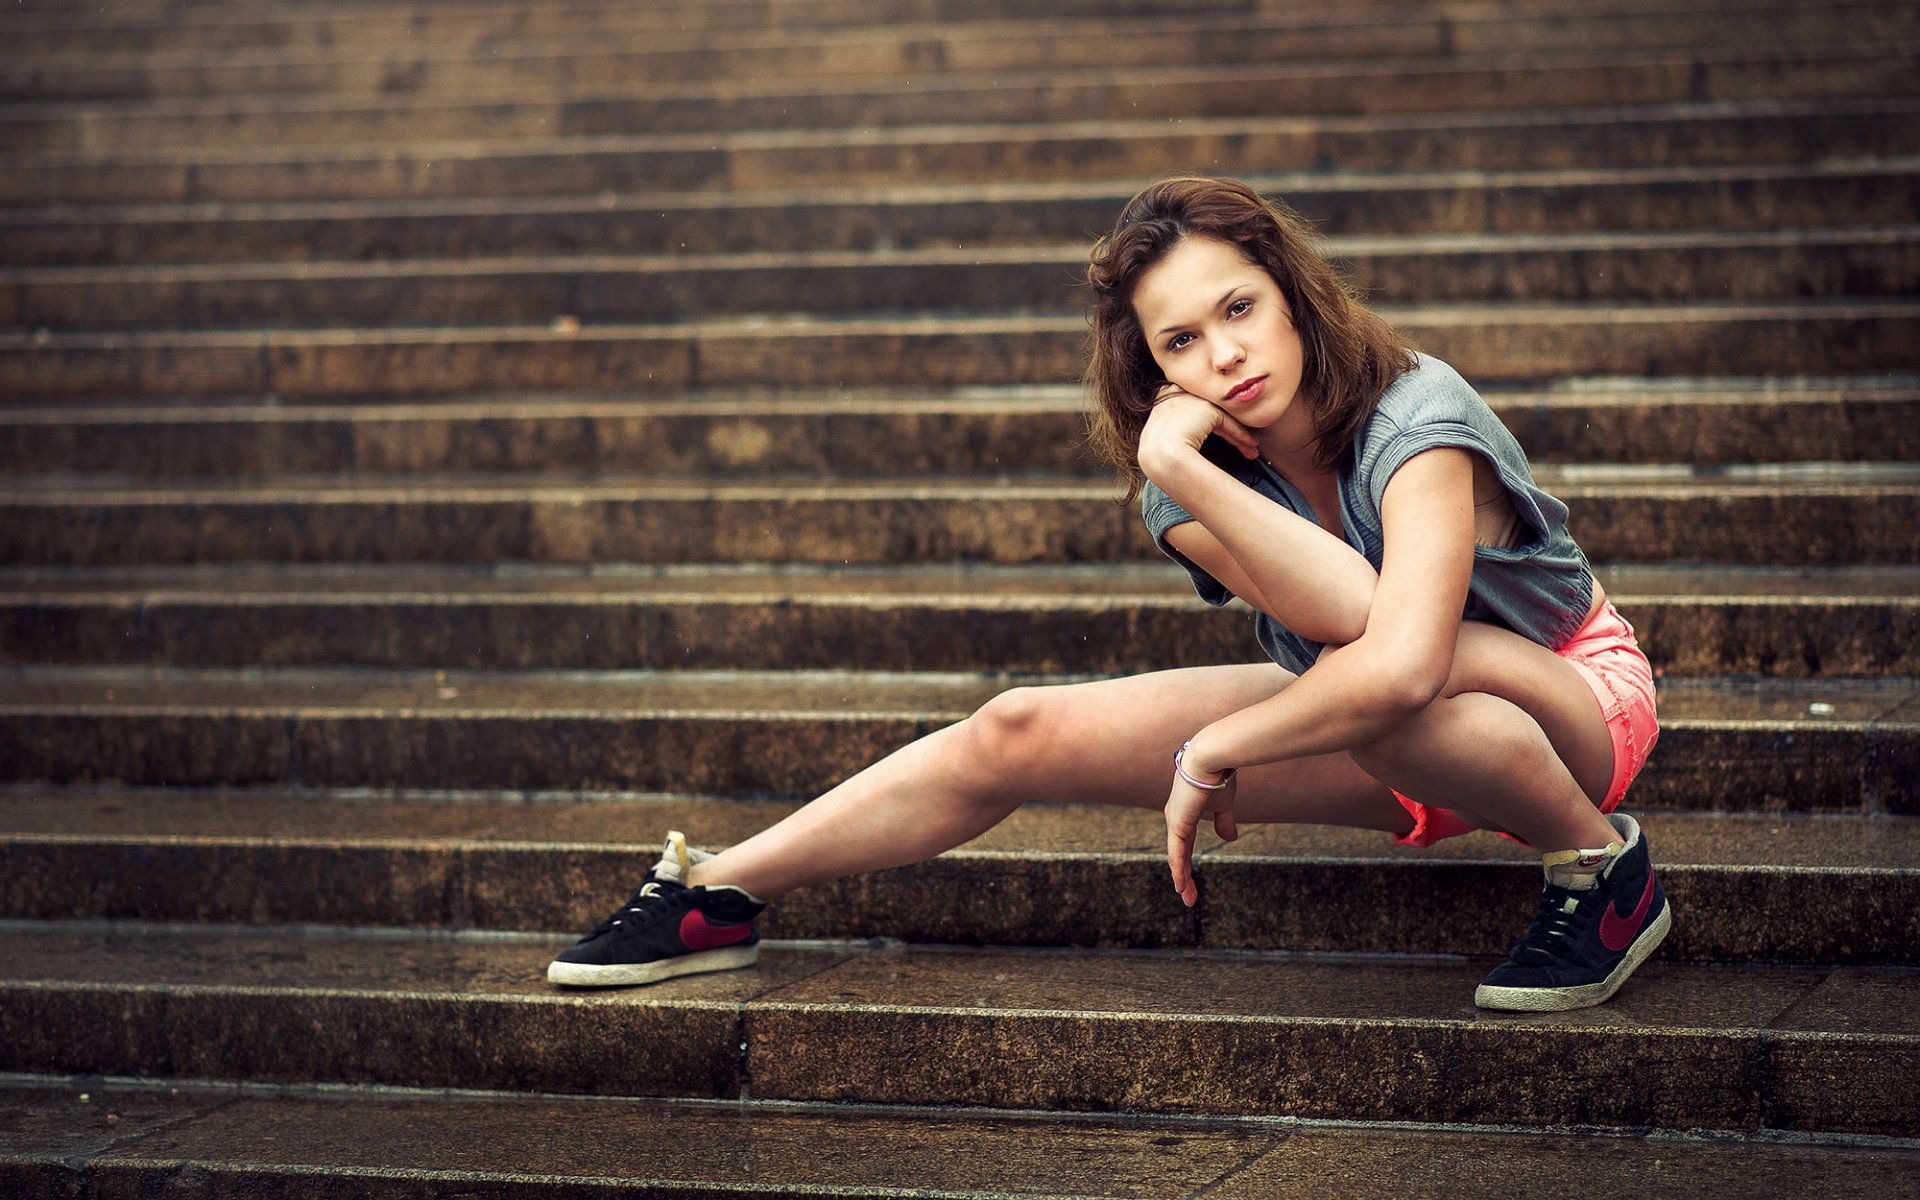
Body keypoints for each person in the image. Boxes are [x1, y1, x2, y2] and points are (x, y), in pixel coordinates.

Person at [548, 175, 1670, 1013]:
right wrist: (1178, 466)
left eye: (1238, 309)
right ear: (1153, 369)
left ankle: (1600, 869)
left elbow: (1406, 650)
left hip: (1565, 698)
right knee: (1016, 728)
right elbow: (1341, 616)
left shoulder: (1417, 415)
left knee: (1415, 678)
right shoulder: (1185, 483)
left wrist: (1214, 746)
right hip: (1382, 714)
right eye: (1182, 340)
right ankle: (716, 893)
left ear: (1291, 293)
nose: (1224, 355)